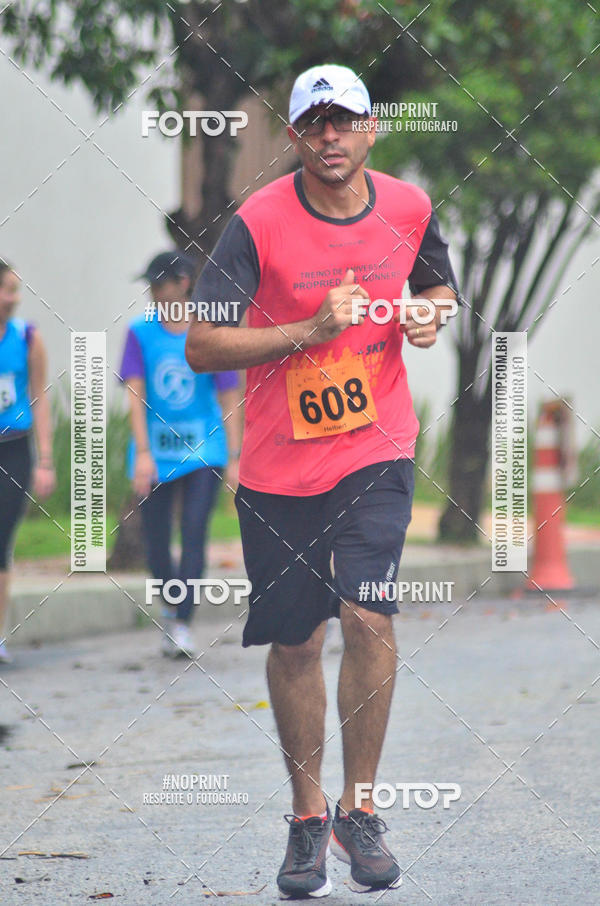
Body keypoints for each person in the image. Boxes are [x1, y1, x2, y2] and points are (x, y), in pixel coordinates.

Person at [186, 64, 460, 898]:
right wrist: (308, 329)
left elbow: (439, 286)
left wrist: (429, 316)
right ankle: (309, 818)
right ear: (298, 135)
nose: (331, 136)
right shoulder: (257, 224)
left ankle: (360, 808)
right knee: (298, 640)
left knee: (368, 614)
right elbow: (201, 344)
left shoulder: (409, 208)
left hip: (376, 448)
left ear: (370, 129)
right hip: (278, 468)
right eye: (316, 123)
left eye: (346, 121)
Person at [119, 251, 242, 659]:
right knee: (156, 543)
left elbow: (229, 395)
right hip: (156, 451)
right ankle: (171, 607)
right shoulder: (140, 332)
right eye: (151, 285)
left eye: (162, 283)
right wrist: (141, 453)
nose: (155, 292)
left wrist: (236, 457)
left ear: (184, 282)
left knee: (194, 534)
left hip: (205, 449)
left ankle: (182, 622)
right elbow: (135, 394)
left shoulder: (209, 330)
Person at [0, 260, 55, 664]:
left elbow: (39, 397)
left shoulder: (28, 337)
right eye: (7, 289)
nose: (13, 298)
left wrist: (46, 459)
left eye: (16, 289)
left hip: (14, 449)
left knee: (2, 542)